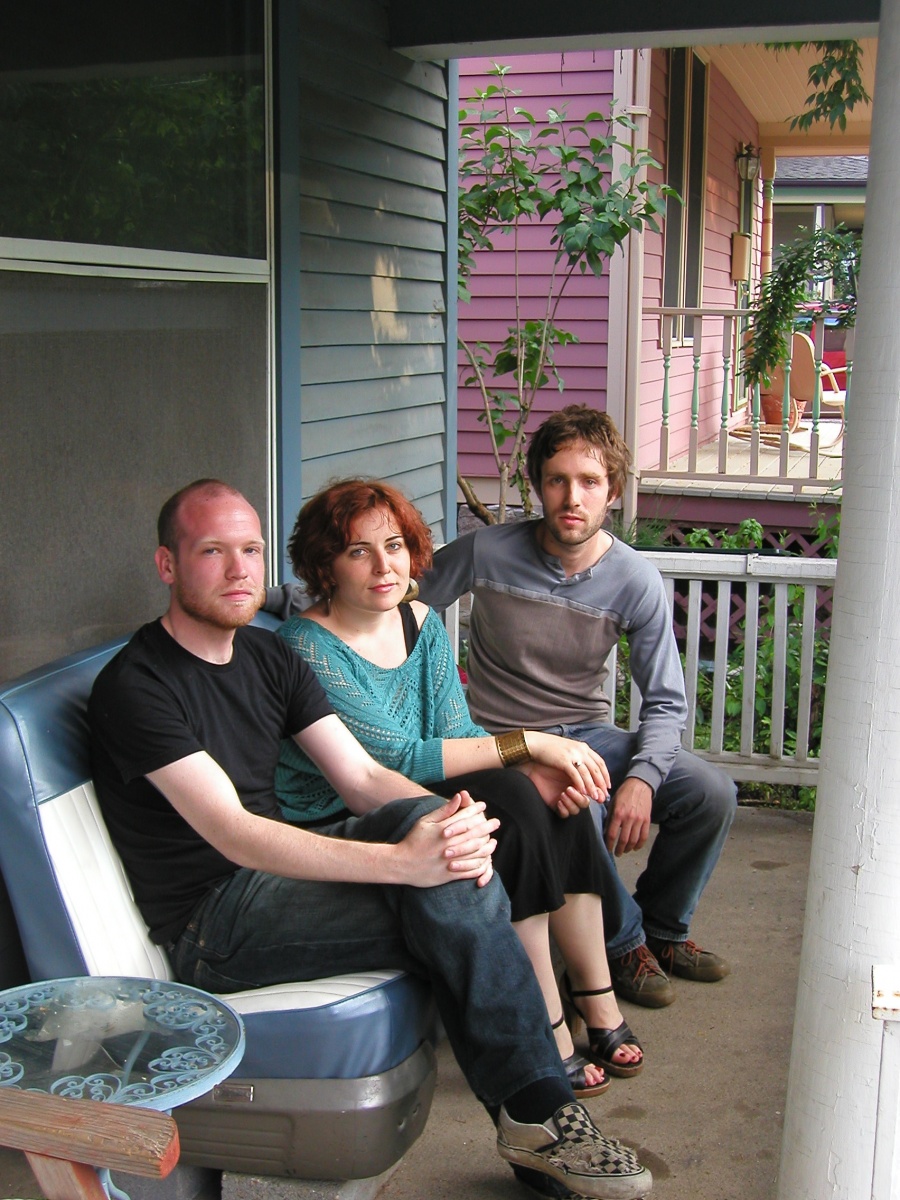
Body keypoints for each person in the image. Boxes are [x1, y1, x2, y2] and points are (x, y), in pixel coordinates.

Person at [87, 479, 652, 1200]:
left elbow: (359, 778)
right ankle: (539, 1114)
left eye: (250, 551)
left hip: (278, 881)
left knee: (444, 844)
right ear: (168, 566)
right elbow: (235, 833)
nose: (237, 570)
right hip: (214, 922)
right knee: (436, 872)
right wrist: (402, 862)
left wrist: (452, 827)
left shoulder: (266, 659)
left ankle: (536, 1111)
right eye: (212, 552)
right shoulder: (139, 686)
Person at [273, 479, 644, 1096]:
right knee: (521, 803)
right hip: (346, 816)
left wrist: (532, 768)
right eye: (358, 552)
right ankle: (546, 1022)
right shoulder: (305, 648)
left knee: (555, 794)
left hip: (413, 790)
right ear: (325, 566)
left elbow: (455, 733)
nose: (384, 565)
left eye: (393, 545)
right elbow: (392, 756)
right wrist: (529, 744)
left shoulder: (419, 622)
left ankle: (596, 994)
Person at [418, 406, 738, 1009]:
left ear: (612, 491)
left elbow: (666, 702)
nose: (572, 497)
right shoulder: (486, 552)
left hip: (589, 734)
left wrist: (643, 779)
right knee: (578, 804)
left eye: (590, 482)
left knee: (709, 792)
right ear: (537, 485)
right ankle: (622, 946)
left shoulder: (634, 579)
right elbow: (396, 593)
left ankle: (665, 932)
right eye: (557, 479)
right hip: (506, 741)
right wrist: (280, 595)